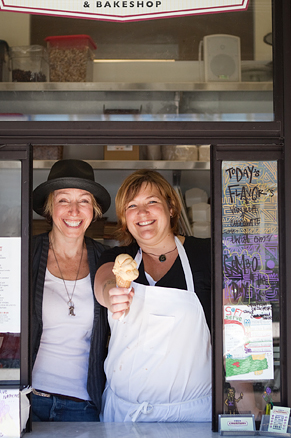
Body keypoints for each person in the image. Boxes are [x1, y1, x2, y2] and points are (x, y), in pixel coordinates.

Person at [95, 169, 212, 422]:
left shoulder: (206, 255)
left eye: (152, 202)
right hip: (124, 416)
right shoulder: (117, 258)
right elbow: (104, 283)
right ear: (124, 217)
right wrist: (111, 295)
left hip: (192, 417)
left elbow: (234, 328)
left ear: (171, 208)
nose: (142, 212)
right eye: (132, 206)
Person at [31, 159, 111, 421]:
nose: (74, 210)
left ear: (94, 210)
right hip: (30, 400)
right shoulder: (27, 254)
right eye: (64, 200)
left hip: (84, 405)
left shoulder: (106, 259)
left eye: (84, 201)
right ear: (50, 207)